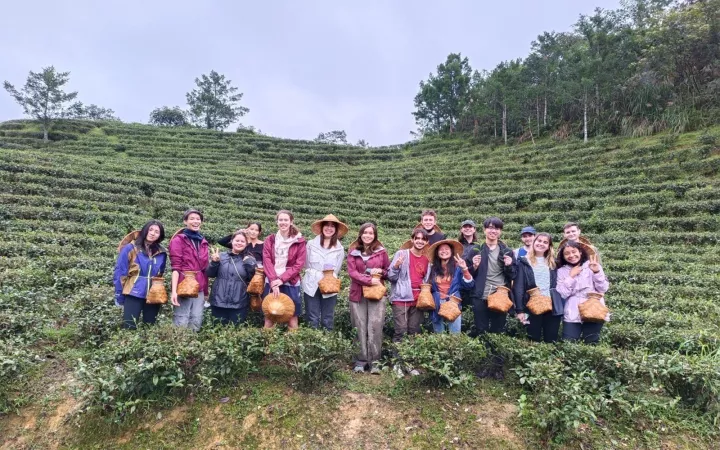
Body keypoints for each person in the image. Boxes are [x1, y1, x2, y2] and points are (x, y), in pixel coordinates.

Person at [346, 223, 390, 374]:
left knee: (375, 326)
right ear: (360, 234)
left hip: (376, 295)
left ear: (375, 236)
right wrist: (369, 280)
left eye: (371, 233)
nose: (368, 235)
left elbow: (387, 271)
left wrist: (380, 271)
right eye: (365, 232)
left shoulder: (381, 252)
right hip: (357, 294)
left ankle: (375, 361)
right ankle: (360, 360)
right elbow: (352, 273)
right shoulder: (352, 252)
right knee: (359, 326)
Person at [467, 217, 517, 335]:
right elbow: (467, 275)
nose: (493, 231)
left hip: (500, 296)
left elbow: (513, 275)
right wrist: (474, 266)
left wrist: (509, 265)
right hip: (480, 295)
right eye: (490, 228)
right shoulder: (475, 250)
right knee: (481, 329)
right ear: (484, 230)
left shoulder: (507, 251)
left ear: (500, 231)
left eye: (497, 228)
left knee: (497, 330)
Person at [113, 220, 167, 329]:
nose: (153, 233)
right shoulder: (131, 248)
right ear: (144, 230)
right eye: (150, 230)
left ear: (160, 235)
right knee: (129, 326)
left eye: (157, 232)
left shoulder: (162, 252)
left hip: (153, 294)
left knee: (149, 327)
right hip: (134, 292)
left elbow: (160, 273)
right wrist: (119, 294)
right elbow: (120, 272)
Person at [513, 233, 564, 343]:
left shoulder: (554, 263)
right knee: (532, 338)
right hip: (531, 305)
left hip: (552, 306)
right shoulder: (524, 262)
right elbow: (519, 287)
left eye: (545, 242)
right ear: (534, 242)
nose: (541, 244)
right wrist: (520, 310)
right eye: (539, 241)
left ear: (549, 246)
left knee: (551, 339)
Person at [556, 241, 610, 344]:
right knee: (568, 341)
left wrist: (596, 272)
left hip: (593, 307)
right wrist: (570, 276)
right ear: (563, 256)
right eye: (567, 253)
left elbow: (603, 288)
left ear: (580, 252)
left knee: (591, 340)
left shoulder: (593, 265)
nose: (571, 255)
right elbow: (563, 293)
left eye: (574, 251)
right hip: (572, 309)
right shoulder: (561, 271)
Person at [262, 210, 307, 330]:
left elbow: (298, 265)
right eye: (280, 220)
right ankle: (267, 346)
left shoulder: (299, 241)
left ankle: (291, 347)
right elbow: (267, 261)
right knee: (269, 316)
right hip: (271, 281)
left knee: (292, 317)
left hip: (291, 282)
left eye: (286, 220)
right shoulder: (270, 240)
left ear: (291, 222)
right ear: (277, 222)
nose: (283, 222)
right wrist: (273, 280)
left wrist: (281, 280)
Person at [301, 214, 347, 330]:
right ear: (322, 227)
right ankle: (313, 341)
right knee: (312, 316)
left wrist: (328, 276)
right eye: (326, 225)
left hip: (330, 282)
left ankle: (327, 342)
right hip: (311, 282)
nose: (329, 228)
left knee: (327, 317)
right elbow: (306, 263)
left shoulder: (339, 248)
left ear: (336, 230)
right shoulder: (311, 244)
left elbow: (337, 268)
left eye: (332, 226)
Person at [387, 228, 431, 342]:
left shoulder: (427, 260)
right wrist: (396, 266)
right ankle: (398, 358)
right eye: (417, 238)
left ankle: (411, 359)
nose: (420, 241)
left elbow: (426, 280)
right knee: (401, 330)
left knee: (415, 331)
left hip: (418, 299)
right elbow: (391, 277)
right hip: (401, 298)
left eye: (423, 239)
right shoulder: (401, 254)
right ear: (412, 240)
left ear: (426, 242)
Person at [169, 209, 210, 331]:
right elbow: (175, 267)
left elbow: (205, 269)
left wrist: (206, 292)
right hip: (184, 286)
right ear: (185, 221)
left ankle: (191, 346)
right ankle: (178, 345)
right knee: (181, 319)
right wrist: (174, 291)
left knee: (196, 319)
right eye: (192, 219)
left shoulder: (203, 242)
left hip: (200, 287)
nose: (195, 221)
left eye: (198, 219)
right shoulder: (178, 240)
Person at [205, 230, 256, 326]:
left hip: (239, 301)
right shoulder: (221, 256)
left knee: (236, 330)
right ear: (232, 241)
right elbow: (210, 274)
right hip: (219, 300)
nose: (239, 243)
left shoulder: (250, 259)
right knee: (217, 330)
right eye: (237, 240)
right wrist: (214, 263)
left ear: (246, 244)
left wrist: (249, 265)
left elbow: (252, 280)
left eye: (242, 241)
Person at [427, 239, 474, 334]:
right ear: (437, 253)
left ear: (452, 251)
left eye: (446, 249)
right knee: (438, 333)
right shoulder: (432, 269)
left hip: (453, 302)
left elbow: (469, 285)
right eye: (441, 249)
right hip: (437, 302)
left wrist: (464, 269)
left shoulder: (458, 267)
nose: (444, 251)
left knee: (455, 333)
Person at [457, 219, 478, 310]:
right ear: (461, 230)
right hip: (458, 281)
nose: (467, 228)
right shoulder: (457, 245)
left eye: (470, 227)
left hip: (472, 281)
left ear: (474, 229)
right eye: (465, 227)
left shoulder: (479, 246)